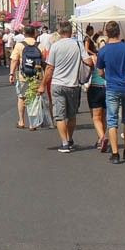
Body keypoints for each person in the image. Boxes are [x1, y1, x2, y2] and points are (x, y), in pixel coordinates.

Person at [95, 20, 125, 164]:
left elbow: (100, 71)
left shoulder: (103, 51)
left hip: (112, 88)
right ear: (118, 32)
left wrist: (108, 78)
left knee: (112, 120)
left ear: (107, 33)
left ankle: (115, 153)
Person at [46, 21, 91, 153]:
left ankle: (64, 143)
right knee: (71, 115)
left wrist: (42, 85)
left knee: (60, 116)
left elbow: (49, 68)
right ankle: (70, 139)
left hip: (57, 83)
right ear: (71, 32)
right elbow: (88, 62)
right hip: (73, 84)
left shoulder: (55, 46)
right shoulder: (78, 44)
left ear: (59, 32)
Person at [9, 25, 41, 129]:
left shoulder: (19, 45)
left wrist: (11, 74)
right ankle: (33, 123)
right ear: (34, 33)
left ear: (24, 33)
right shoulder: (39, 45)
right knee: (34, 99)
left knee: (21, 97)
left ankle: (21, 121)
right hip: (36, 76)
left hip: (23, 75)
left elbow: (14, 60)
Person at [85, 35, 109, 152]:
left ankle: (102, 137)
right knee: (104, 116)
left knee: (96, 117)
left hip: (95, 88)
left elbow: (87, 73)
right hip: (108, 88)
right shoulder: (110, 58)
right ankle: (101, 138)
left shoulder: (93, 58)